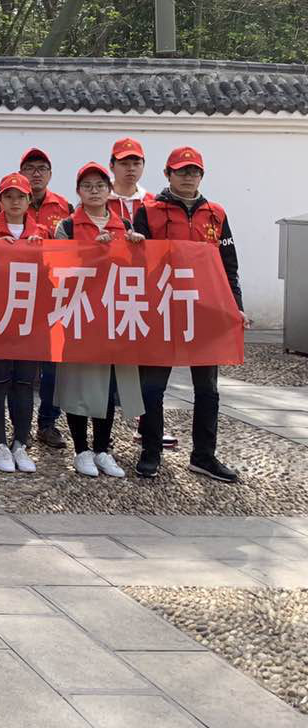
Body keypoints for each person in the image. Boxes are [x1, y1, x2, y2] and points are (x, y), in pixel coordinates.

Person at [132, 145, 244, 483]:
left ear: (201, 176)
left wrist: (235, 307)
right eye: (181, 171)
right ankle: (151, 451)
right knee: (152, 387)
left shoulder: (216, 214)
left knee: (207, 388)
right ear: (167, 174)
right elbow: (137, 262)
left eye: (194, 171)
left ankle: (204, 456)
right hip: (162, 309)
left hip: (205, 311)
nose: (188, 176)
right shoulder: (148, 211)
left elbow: (228, 266)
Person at [53, 162, 143, 479]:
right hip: (80, 312)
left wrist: (138, 247)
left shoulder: (125, 224)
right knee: (78, 383)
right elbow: (58, 267)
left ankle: (103, 449)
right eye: (87, 186)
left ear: (109, 190)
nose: (94, 191)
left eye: (100, 185)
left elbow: (138, 270)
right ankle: (81, 450)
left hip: (113, 314)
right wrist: (92, 251)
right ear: (78, 191)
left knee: (107, 385)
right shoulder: (67, 226)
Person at [106, 138, 176, 450]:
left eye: (136, 162)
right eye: (124, 163)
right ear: (112, 166)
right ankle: (103, 432)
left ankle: (148, 425)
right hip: (109, 290)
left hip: (147, 292)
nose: (130, 168)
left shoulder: (154, 203)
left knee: (147, 362)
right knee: (109, 361)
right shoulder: (99, 197)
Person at [5, 147, 74, 450]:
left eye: (42, 168)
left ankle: (48, 422)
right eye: (30, 168)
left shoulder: (64, 206)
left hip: (51, 295)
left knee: (52, 365)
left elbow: (72, 250)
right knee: (15, 364)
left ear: (50, 174)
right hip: (17, 296)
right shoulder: (7, 202)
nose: (36, 173)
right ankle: (17, 425)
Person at [0, 173, 44, 474]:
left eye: (21, 196)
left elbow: (56, 274)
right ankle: (0, 445)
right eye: (9, 196)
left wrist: (40, 252)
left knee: (25, 382)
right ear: (0, 200)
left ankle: (21, 443)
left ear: (30, 200)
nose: (15, 202)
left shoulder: (43, 233)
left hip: (30, 316)